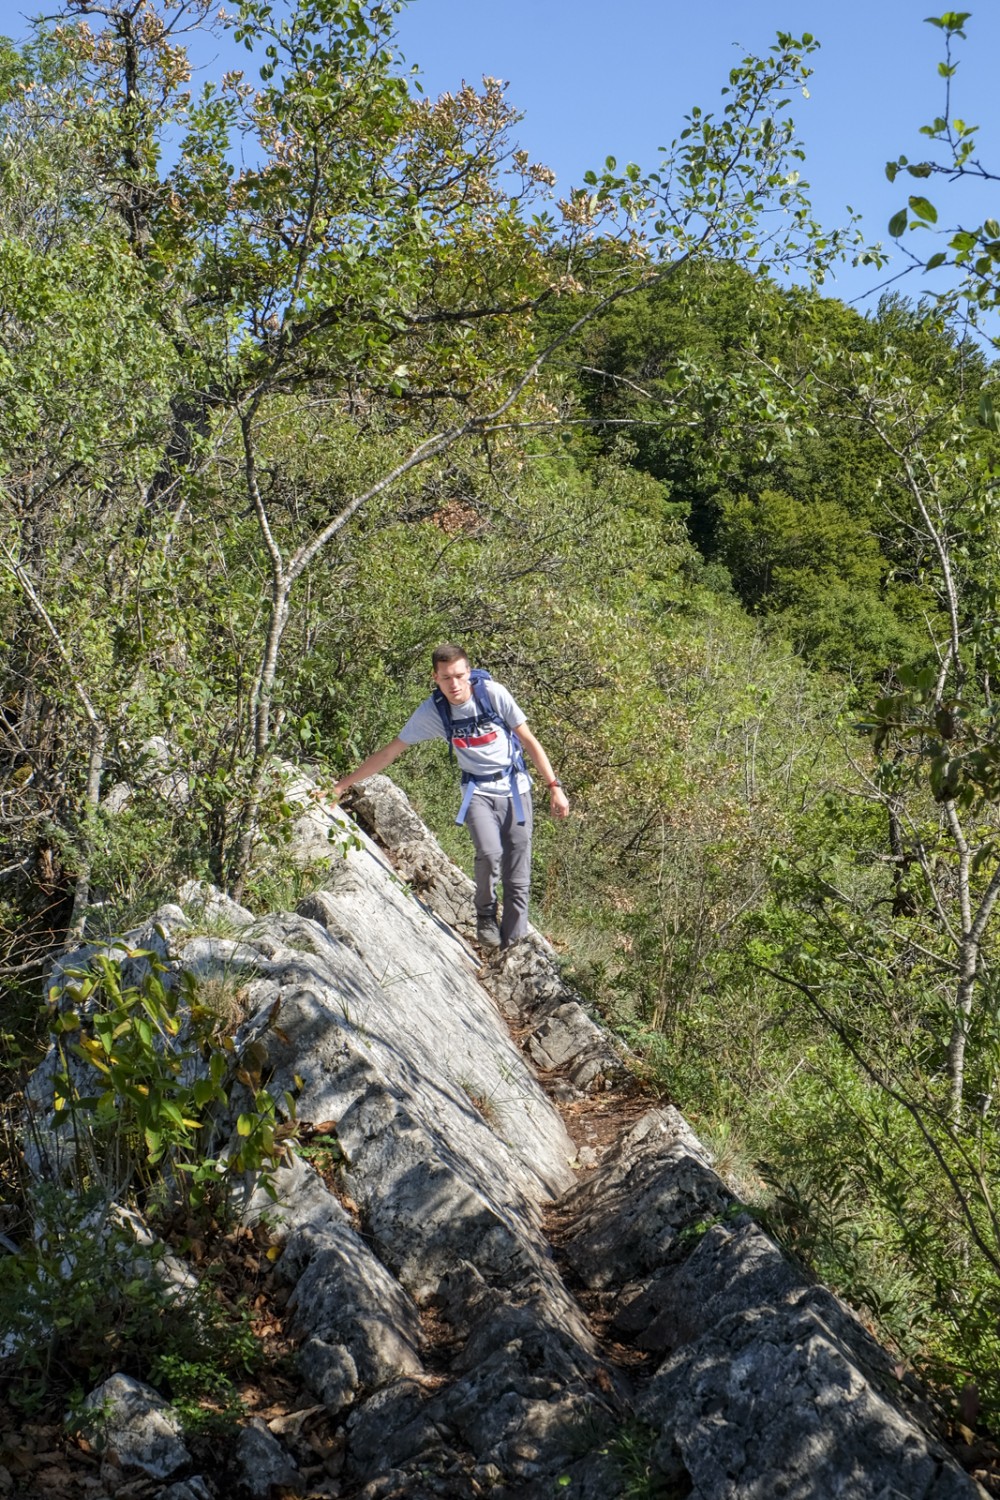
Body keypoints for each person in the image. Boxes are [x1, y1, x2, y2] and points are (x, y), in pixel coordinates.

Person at [331, 644, 569, 949]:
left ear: (468, 672)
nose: (454, 685)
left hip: (515, 789)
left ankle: (513, 946)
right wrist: (342, 786)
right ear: (435, 677)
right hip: (477, 792)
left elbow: (529, 740)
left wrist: (554, 786)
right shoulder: (434, 711)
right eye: (446, 678)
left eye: (459, 675)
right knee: (490, 853)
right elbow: (390, 752)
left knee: (518, 875)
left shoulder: (493, 695)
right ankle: (485, 915)